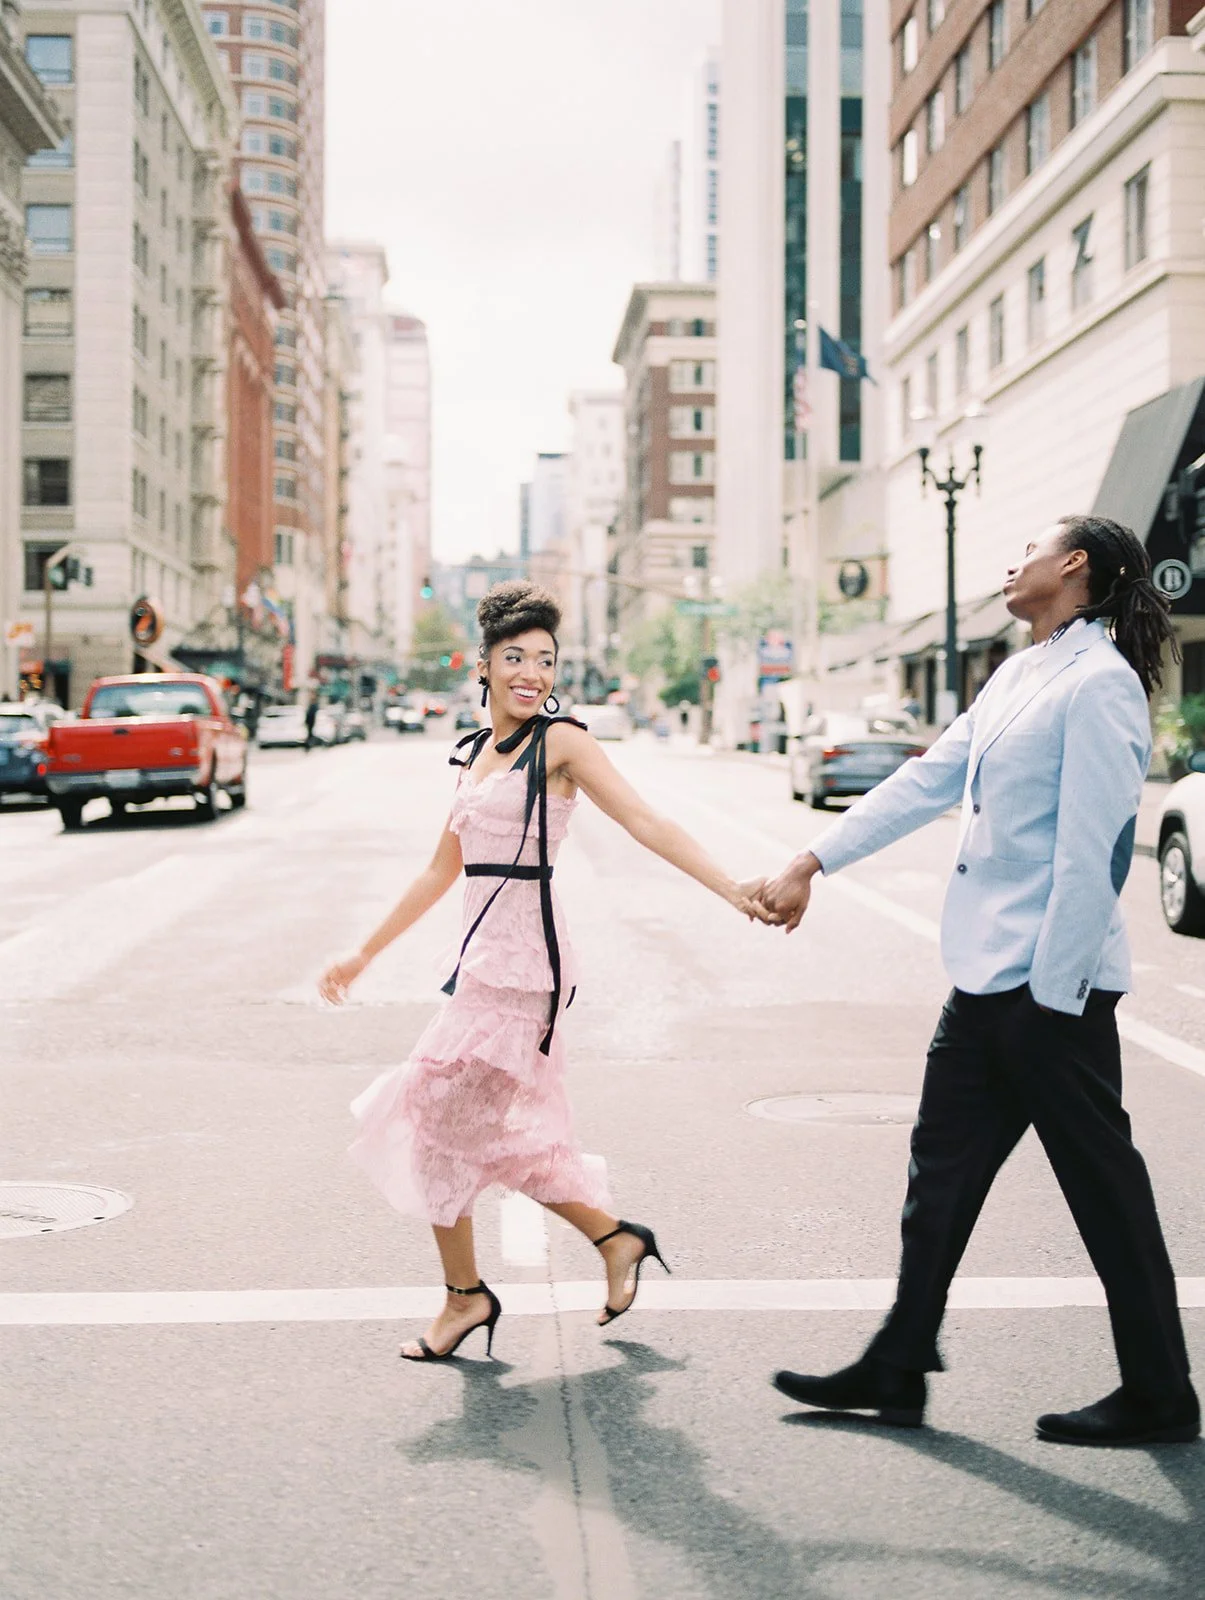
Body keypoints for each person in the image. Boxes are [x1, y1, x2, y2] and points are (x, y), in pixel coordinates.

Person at [759, 516, 1198, 1447]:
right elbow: (927, 781)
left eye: (1030, 548)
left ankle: (1160, 1391)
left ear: (1073, 565)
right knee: (938, 1176)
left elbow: (1093, 858)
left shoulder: (1098, 685)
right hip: (985, 984)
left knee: (1103, 1190)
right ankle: (899, 1362)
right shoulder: (1017, 675)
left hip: (1048, 991)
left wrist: (1049, 995)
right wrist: (812, 858)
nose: (1012, 562)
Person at [319, 580, 768, 1362]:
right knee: (466, 1131)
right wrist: (363, 953)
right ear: (484, 665)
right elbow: (438, 872)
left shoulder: (560, 744)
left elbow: (645, 821)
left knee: (433, 1113)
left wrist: (731, 889)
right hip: (478, 961)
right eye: (515, 657)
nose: (532, 673)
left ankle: (471, 1296)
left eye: (546, 660)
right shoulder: (472, 752)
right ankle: (608, 1240)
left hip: (527, 967)